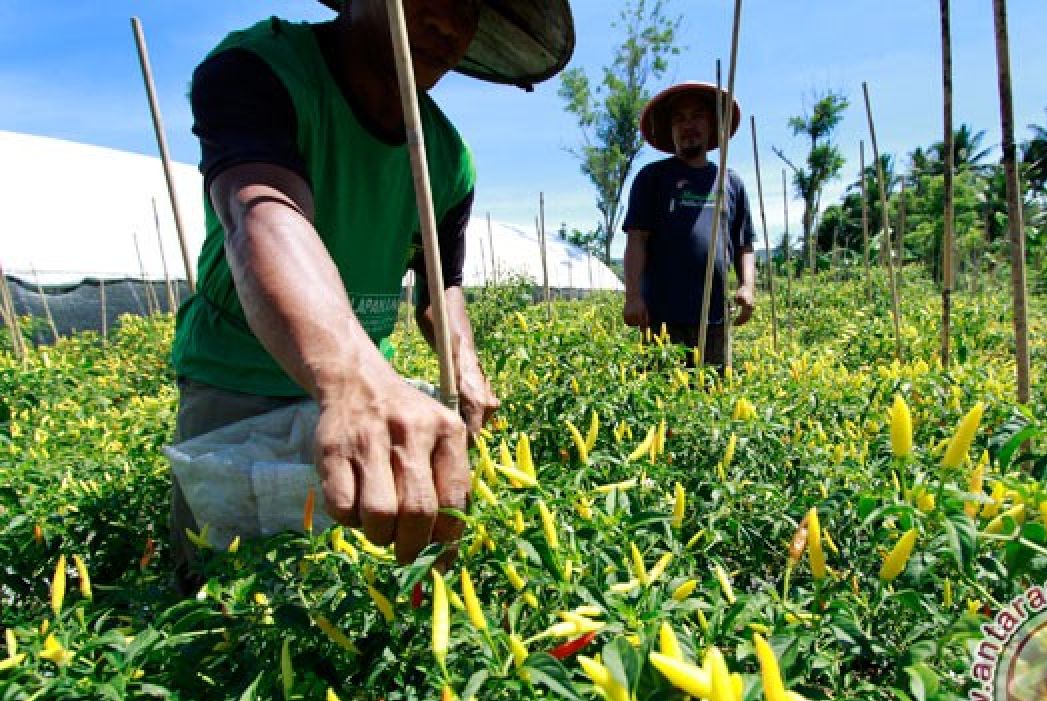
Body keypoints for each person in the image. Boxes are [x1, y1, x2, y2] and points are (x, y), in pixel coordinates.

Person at [169, 0, 575, 590]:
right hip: (237, 383)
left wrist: (462, 360)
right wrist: (355, 384)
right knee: (216, 598)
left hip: (368, 387)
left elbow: (443, 286)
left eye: (473, 10)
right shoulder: (260, 67)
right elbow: (257, 212)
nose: (452, 24)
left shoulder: (445, 154)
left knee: (341, 599)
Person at [622, 82, 756, 367]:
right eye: (679, 119)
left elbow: (744, 245)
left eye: (697, 116)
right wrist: (633, 296)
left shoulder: (730, 183)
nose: (688, 125)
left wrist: (747, 286)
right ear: (671, 131)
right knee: (662, 400)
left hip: (714, 319)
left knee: (715, 400)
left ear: (712, 125)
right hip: (662, 318)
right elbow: (637, 240)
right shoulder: (652, 179)